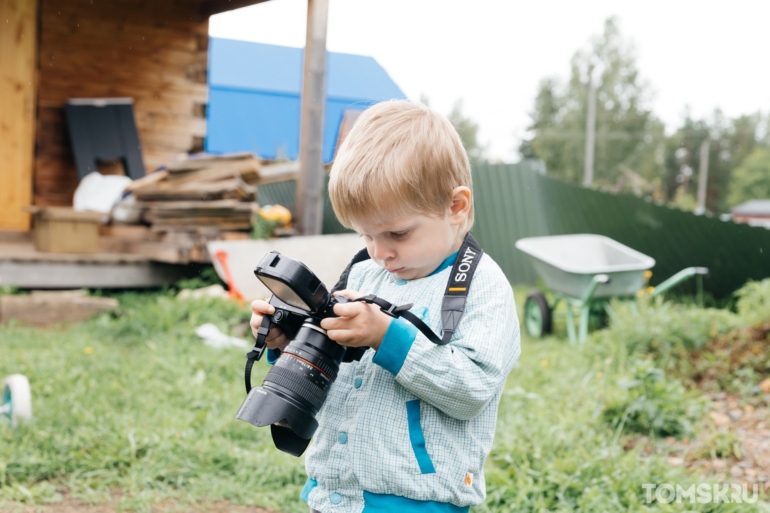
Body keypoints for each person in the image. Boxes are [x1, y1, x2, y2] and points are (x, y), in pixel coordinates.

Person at [250, 100, 521, 513]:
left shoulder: (481, 286)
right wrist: (284, 340)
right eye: (366, 236)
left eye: (396, 233)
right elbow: (334, 371)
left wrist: (386, 336)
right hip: (334, 494)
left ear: (456, 207)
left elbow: (472, 390)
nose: (381, 252)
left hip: (414, 500)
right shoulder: (365, 274)